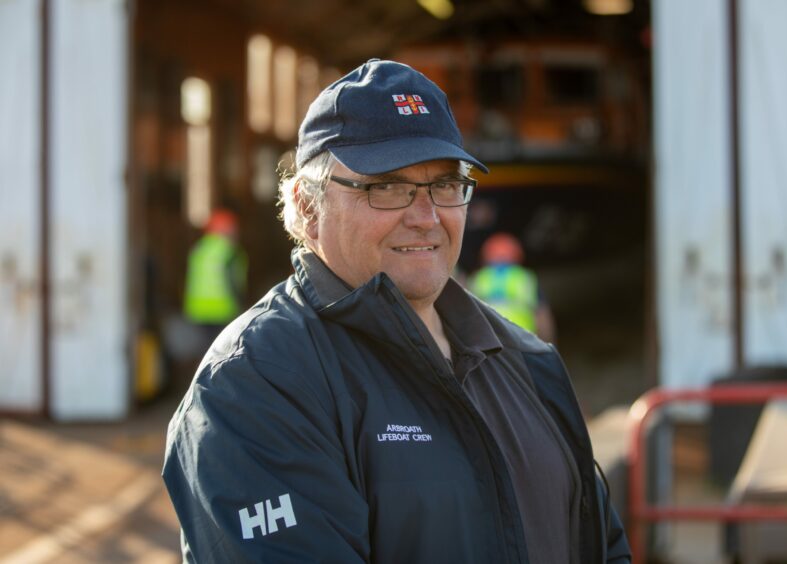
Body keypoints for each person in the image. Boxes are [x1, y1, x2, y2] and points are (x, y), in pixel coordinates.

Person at [163, 59, 629, 563]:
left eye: (446, 185)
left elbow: (601, 546)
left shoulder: (527, 361)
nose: (426, 217)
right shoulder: (254, 384)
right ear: (307, 207)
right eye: (385, 186)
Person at [470, 232, 557, 342]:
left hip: (488, 341)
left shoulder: (478, 279)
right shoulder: (526, 278)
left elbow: (468, 315)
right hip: (523, 339)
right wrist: (548, 346)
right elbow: (542, 318)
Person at [182, 208, 248, 351]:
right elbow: (234, 282)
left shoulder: (199, 249)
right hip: (222, 311)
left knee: (204, 352)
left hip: (198, 311)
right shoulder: (229, 251)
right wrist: (241, 306)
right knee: (224, 352)